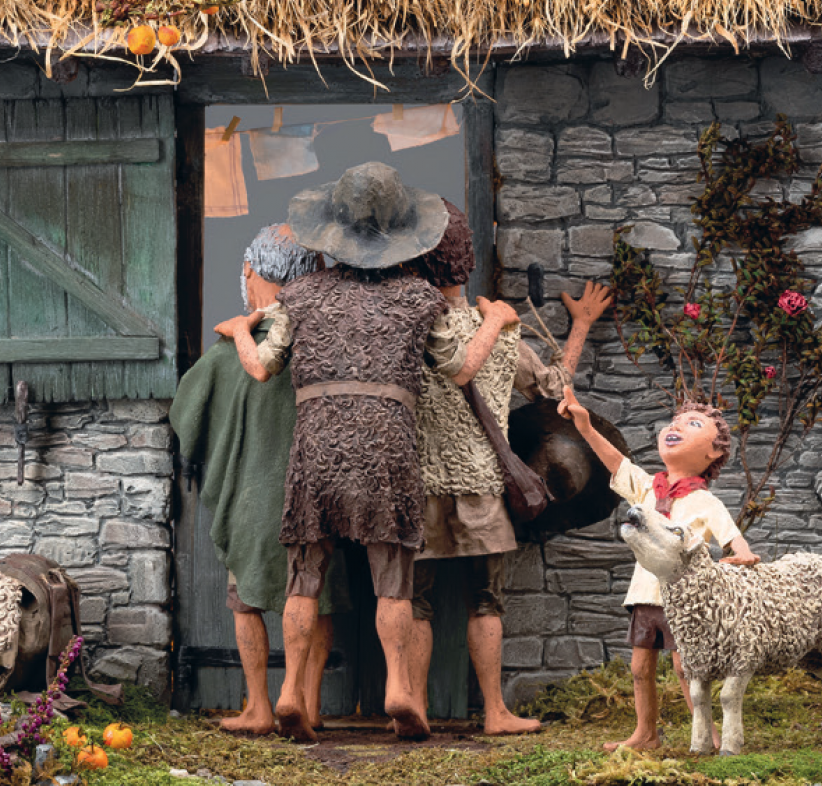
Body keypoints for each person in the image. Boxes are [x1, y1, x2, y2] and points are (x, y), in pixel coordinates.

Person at [219, 162, 518, 743]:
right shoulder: (416, 298)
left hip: (316, 444)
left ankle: (288, 695)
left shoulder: (300, 295)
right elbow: (461, 370)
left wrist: (236, 331)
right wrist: (497, 321)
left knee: (304, 575)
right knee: (392, 577)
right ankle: (401, 688)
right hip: (387, 445)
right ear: (402, 233)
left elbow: (259, 370)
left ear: (333, 230)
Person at [399, 198, 612, 734]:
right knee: (486, 600)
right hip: (483, 488)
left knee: (414, 601)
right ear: (465, 264)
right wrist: (580, 325)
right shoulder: (505, 331)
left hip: (418, 482)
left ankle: (415, 706)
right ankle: (495, 712)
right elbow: (555, 390)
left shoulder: (403, 331)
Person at [170, 224, 346, 734]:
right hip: (319, 496)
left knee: (244, 598)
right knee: (318, 594)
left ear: (253, 273)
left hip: (253, 497)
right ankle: (309, 704)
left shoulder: (233, 348)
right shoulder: (327, 343)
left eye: (246, 271)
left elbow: (187, 418)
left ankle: (259, 707)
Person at [556, 387, 761, 752]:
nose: (676, 426)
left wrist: (743, 553)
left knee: (687, 670)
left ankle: (708, 733)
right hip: (645, 595)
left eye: (693, 424)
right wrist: (585, 428)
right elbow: (616, 462)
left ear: (713, 451)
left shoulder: (704, 501)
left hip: (685, 601)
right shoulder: (648, 487)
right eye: (676, 420)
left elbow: (731, 536)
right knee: (639, 668)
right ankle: (645, 733)